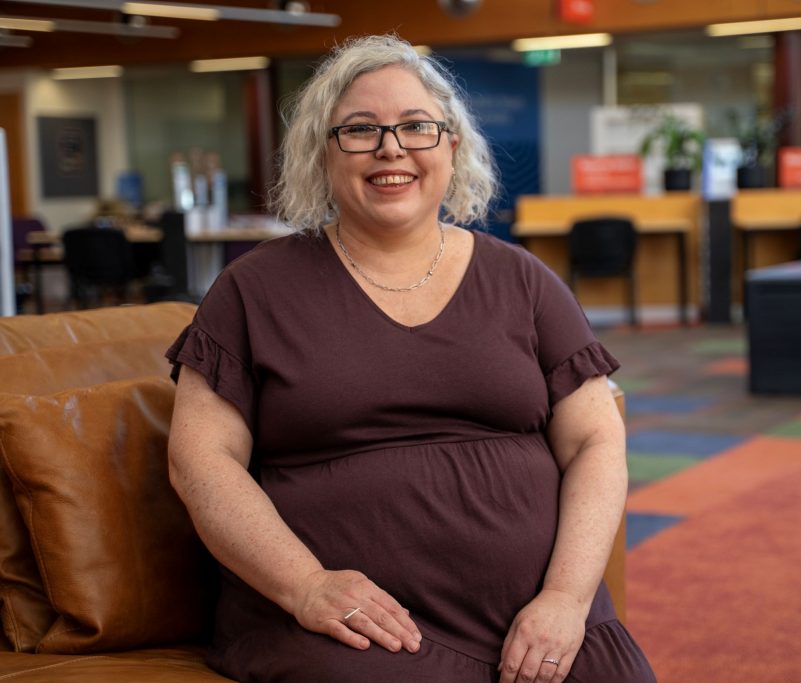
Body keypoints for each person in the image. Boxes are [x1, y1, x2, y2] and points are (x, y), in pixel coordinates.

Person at [166, 34, 656, 683]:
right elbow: (200, 461)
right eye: (360, 129)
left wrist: (566, 598)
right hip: (347, 626)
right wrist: (306, 585)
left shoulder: (525, 281)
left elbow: (596, 440)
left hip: (538, 617)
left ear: (452, 145)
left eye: (416, 126)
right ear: (321, 151)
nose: (391, 148)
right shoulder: (253, 290)